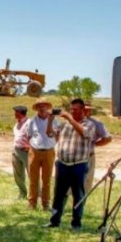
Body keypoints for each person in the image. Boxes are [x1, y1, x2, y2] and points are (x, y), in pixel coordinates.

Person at [47, 98, 95, 231]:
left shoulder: (89, 124)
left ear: (83, 110)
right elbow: (50, 133)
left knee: (78, 195)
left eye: (75, 110)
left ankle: (76, 224)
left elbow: (84, 132)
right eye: (71, 109)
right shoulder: (64, 124)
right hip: (62, 164)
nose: (72, 112)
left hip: (78, 165)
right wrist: (50, 119)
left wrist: (69, 119)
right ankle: (54, 221)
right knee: (59, 194)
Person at [25, 98, 59, 210]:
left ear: (47, 107)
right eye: (39, 106)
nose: (42, 107)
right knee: (33, 179)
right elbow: (28, 136)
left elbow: (57, 135)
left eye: (44, 105)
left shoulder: (54, 120)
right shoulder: (31, 121)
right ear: (37, 108)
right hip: (34, 151)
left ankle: (46, 203)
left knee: (47, 179)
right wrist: (31, 147)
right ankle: (32, 203)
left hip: (49, 151)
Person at [83, 104, 112, 194]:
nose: (86, 112)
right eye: (84, 110)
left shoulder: (96, 123)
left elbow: (107, 138)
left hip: (88, 157)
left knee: (85, 184)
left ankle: (80, 207)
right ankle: (60, 207)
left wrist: (94, 144)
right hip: (72, 157)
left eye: (88, 110)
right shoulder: (73, 122)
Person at [11, 105, 30, 199]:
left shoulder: (29, 123)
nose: (14, 114)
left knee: (32, 174)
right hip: (16, 150)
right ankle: (22, 193)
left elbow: (35, 136)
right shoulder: (16, 124)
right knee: (17, 174)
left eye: (15, 112)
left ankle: (37, 195)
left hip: (26, 151)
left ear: (20, 113)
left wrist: (30, 148)